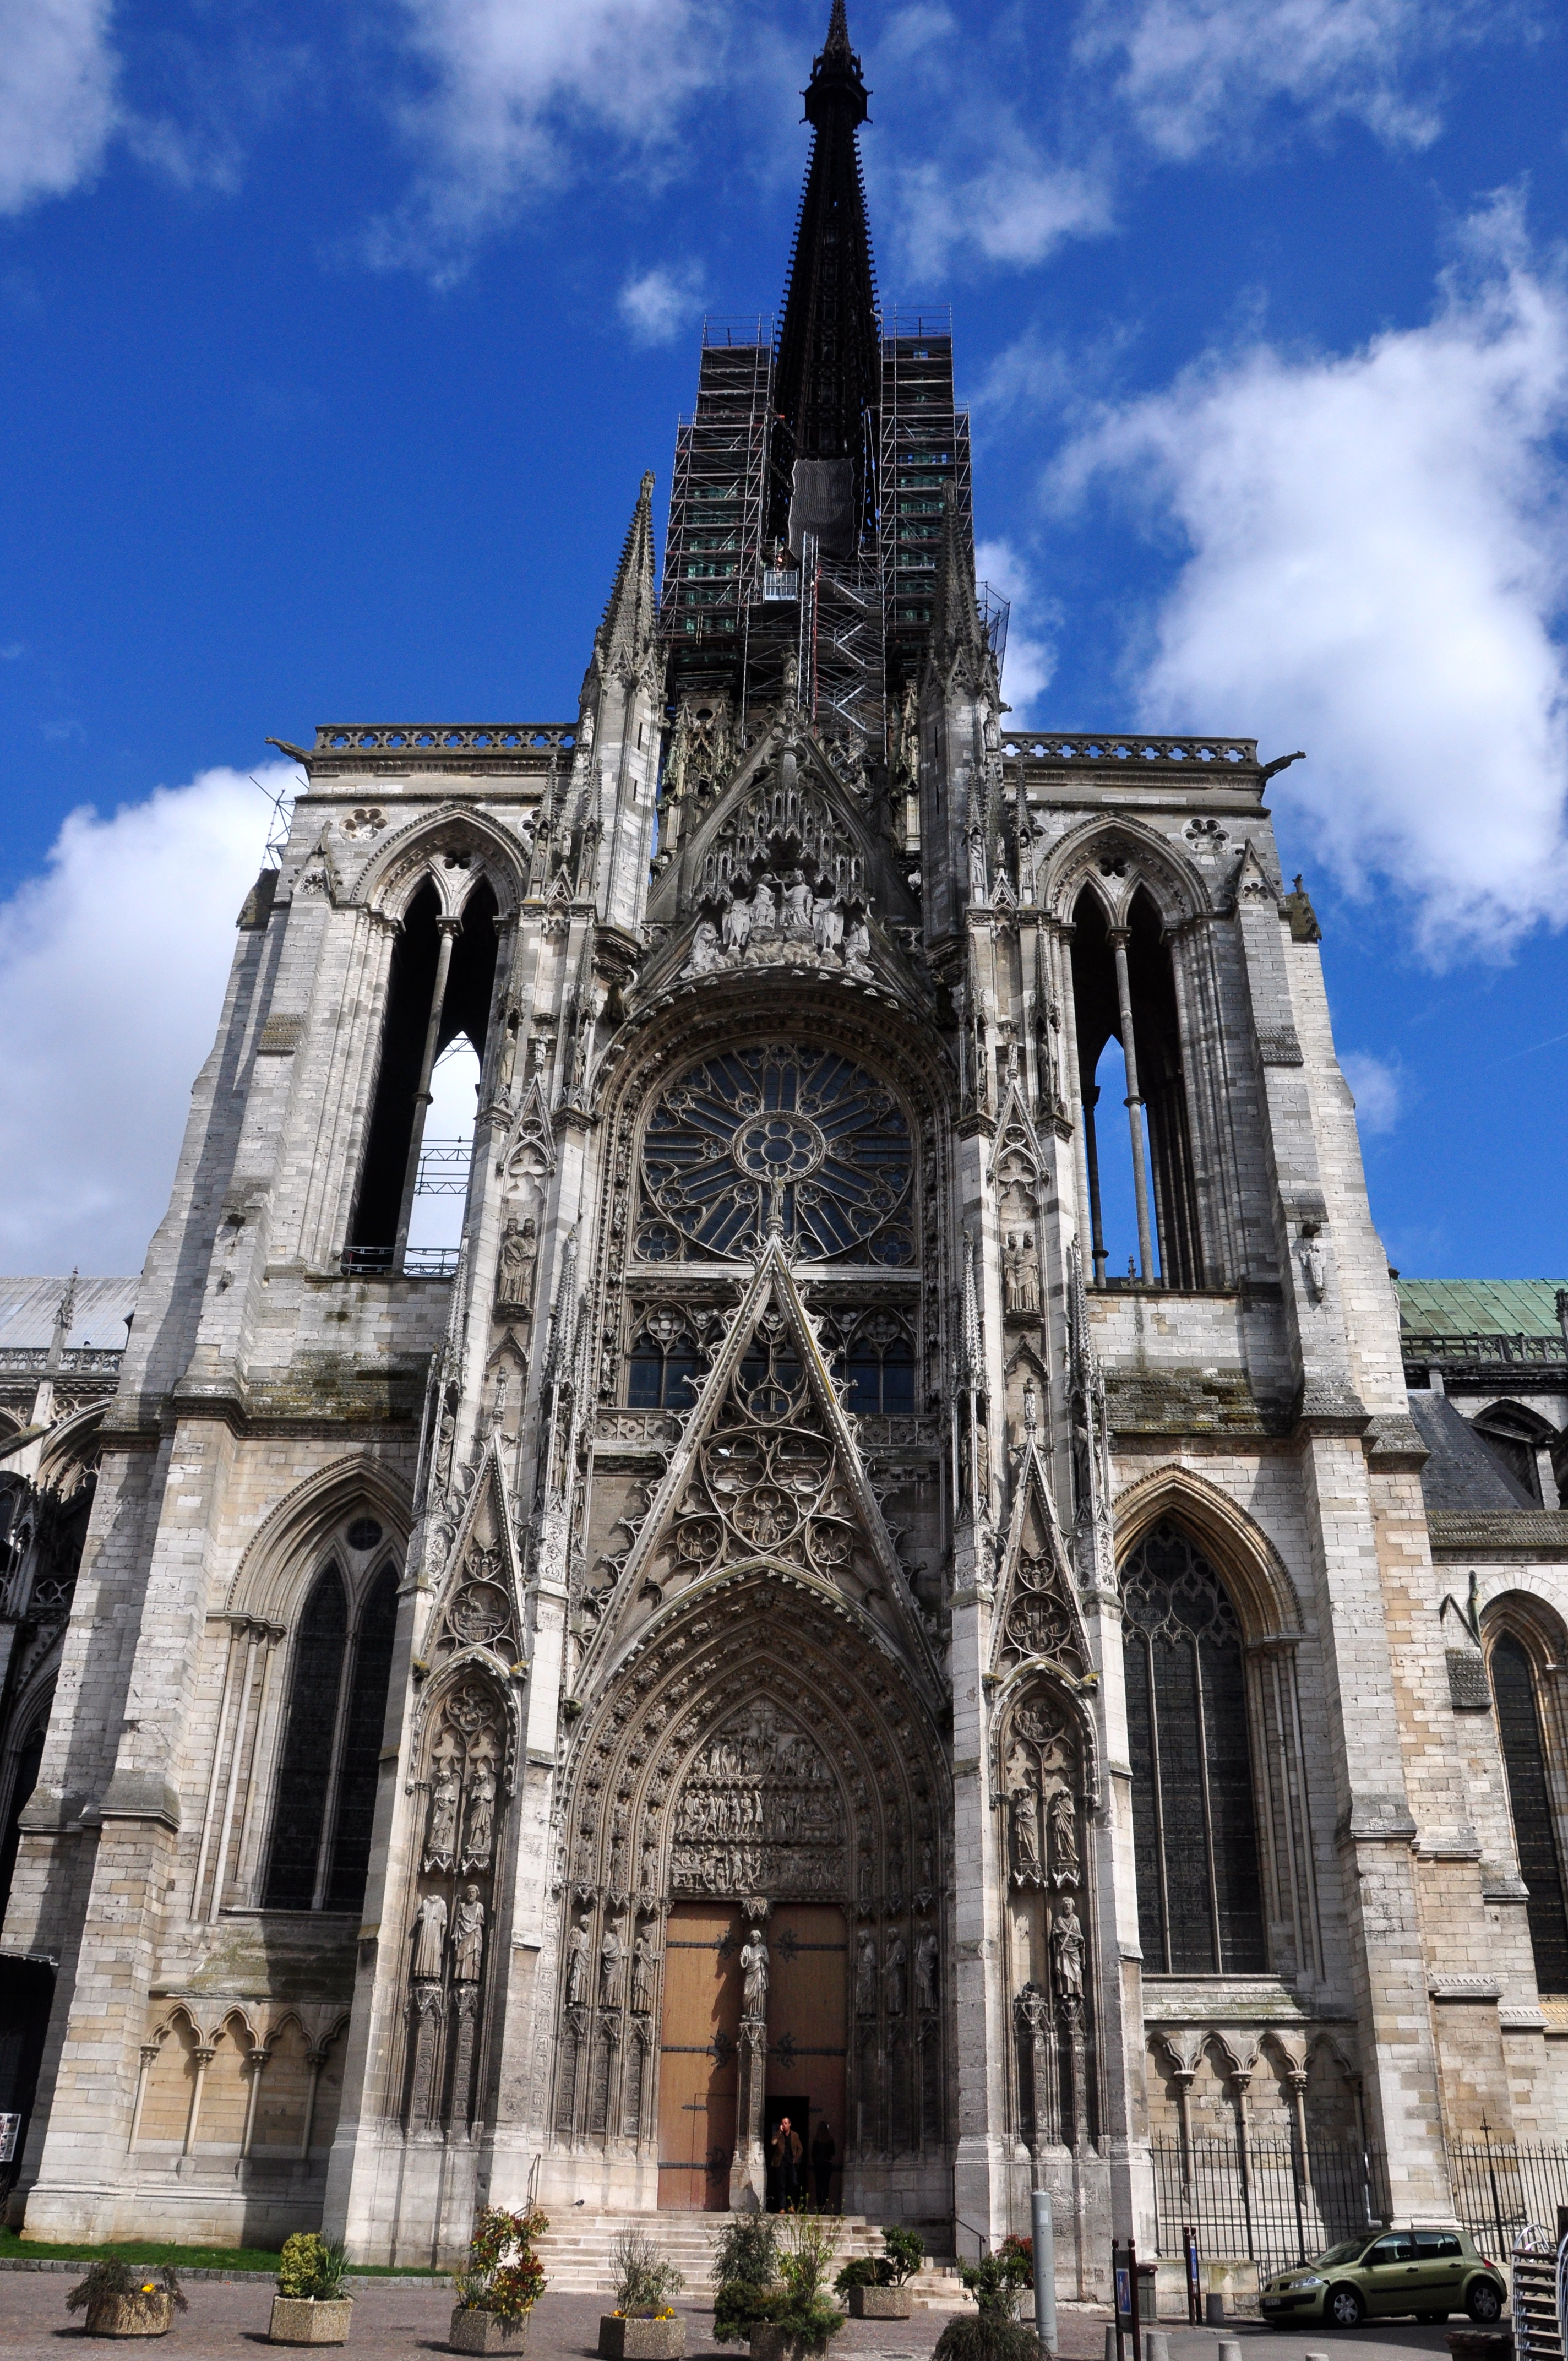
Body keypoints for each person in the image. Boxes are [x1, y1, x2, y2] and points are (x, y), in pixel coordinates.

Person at [769, 2115, 803, 2211]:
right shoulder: (778, 2135)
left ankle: (791, 2204)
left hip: (791, 2163)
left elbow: (800, 2149)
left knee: (794, 2183)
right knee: (781, 2185)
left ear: (790, 2124)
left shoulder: (795, 2135)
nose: (784, 2125)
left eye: (786, 2123)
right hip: (781, 2163)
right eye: (782, 2123)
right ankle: (782, 2207)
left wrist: (795, 2159)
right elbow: (773, 2143)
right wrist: (779, 2132)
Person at [810, 2118, 836, 2208]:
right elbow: (833, 2152)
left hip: (818, 2164)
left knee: (819, 2185)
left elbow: (813, 2153)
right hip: (827, 2164)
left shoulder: (816, 2139)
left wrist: (815, 2161)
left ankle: (819, 2205)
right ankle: (825, 2206)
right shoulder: (830, 2139)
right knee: (826, 2186)